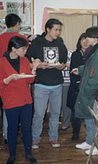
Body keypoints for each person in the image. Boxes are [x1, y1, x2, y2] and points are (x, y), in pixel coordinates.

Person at [0, 36, 39, 164]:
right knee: (12, 129)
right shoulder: (0, 63)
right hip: (10, 101)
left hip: (26, 100)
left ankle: (28, 154)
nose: (25, 51)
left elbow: (30, 80)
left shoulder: (24, 61)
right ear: (13, 49)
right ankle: (12, 155)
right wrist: (9, 78)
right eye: (23, 48)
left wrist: (34, 69)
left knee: (26, 128)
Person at [25, 18, 68, 149]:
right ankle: (35, 139)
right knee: (39, 113)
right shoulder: (36, 43)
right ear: (47, 29)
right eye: (55, 29)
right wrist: (38, 66)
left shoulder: (61, 45)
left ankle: (53, 137)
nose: (57, 32)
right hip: (41, 84)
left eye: (59, 30)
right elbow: (27, 62)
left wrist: (60, 67)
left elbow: (63, 64)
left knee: (55, 113)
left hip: (57, 83)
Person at [72, 26, 98, 150]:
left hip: (94, 93)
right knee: (89, 118)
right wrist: (79, 70)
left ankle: (96, 145)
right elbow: (91, 69)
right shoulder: (95, 51)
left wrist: (87, 91)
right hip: (93, 92)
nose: (86, 39)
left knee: (94, 120)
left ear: (95, 38)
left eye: (88, 37)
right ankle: (90, 141)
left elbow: (97, 78)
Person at [0, 13, 29, 143]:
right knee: (21, 108)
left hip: (4, 81)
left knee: (7, 107)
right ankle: (23, 135)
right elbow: (24, 60)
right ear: (17, 24)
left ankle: (7, 136)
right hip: (17, 81)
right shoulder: (22, 38)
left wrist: (2, 69)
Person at [66, 33, 89, 142]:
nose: (85, 42)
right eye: (82, 40)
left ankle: (90, 136)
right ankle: (75, 134)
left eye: (86, 40)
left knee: (89, 113)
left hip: (88, 88)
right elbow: (74, 72)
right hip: (77, 88)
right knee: (75, 113)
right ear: (79, 42)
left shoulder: (93, 54)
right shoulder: (76, 54)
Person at [59, 48, 73, 131]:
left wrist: (66, 65)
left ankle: (66, 124)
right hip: (55, 82)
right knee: (56, 104)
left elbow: (75, 66)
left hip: (67, 81)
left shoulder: (70, 53)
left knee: (65, 104)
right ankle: (56, 122)